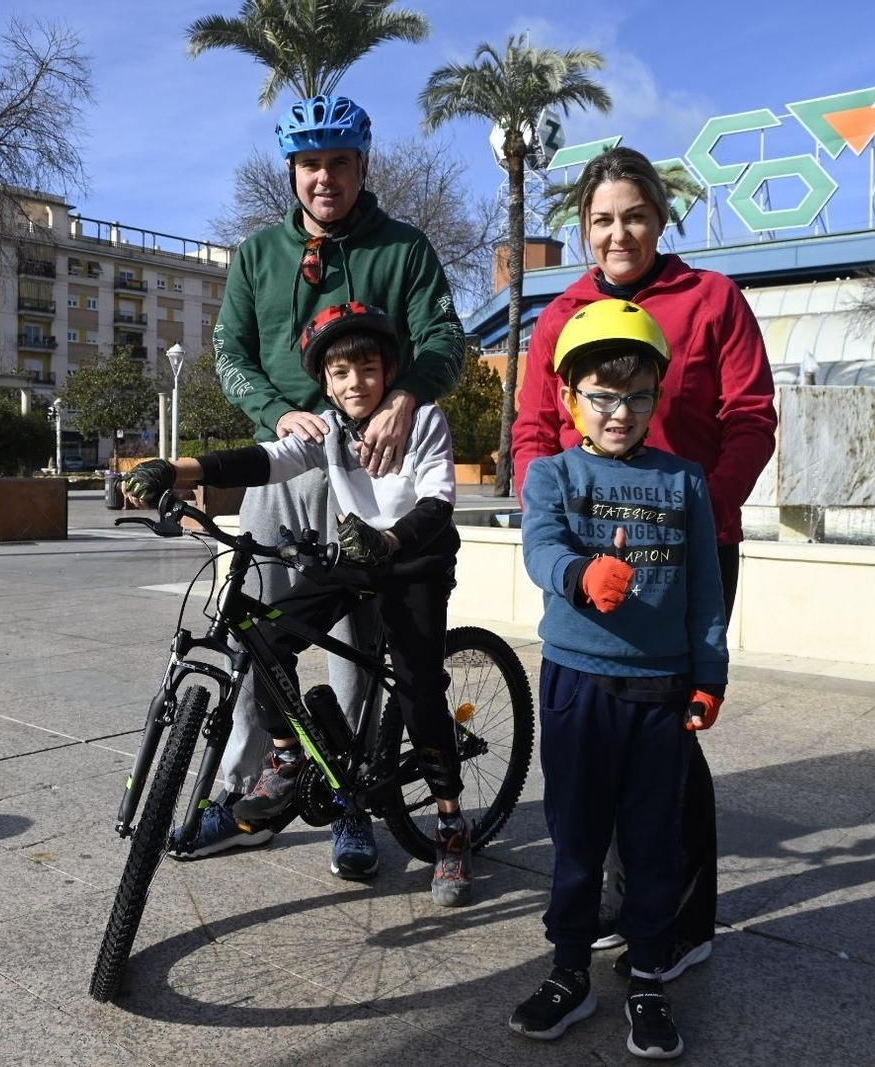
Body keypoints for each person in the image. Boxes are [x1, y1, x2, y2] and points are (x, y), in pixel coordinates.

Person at [182, 93, 466, 877]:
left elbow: (446, 336)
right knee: (257, 632)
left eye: (339, 162)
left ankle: (351, 805)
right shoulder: (256, 254)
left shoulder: (404, 249)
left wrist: (406, 395)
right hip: (288, 459)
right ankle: (251, 790)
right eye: (310, 164)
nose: (324, 178)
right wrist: (277, 413)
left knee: (361, 646)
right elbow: (231, 351)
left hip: (375, 461)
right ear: (292, 171)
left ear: (361, 165)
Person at [512, 146, 776, 982]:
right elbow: (530, 433)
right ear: (583, 231)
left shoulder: (712, 299)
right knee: (596, 743)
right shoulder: (562, 315)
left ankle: (681, 916)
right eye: (600, 219)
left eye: (633, 214)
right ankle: (615, 903)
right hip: (591, 560)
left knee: (670, 743)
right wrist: (552, 519)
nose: (617, 231)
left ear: (659, 219)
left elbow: (752, 419)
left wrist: (706, 513)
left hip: (687, 553)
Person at [123, 302, 472, 905]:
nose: (354, 382)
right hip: (357, 554)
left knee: (417, 690)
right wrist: (175, 468)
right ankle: (286, 757)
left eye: (367, 368)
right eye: (340, 374)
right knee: (265, 633)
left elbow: (438, 503)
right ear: (326, 383)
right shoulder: (331, 430)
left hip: (415, 560)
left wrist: (389, 540)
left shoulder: (424, 421)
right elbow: (263, 460)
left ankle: (449, 825)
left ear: (388, 372)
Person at [510, 298, 728, 1058]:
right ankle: (569, 969)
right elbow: (538, 545)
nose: (620, 410)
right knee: (575, 837)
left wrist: (710, 670)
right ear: (571, 398)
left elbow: (705, 587)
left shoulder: (685, 481)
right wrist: (578, 573)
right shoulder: (553, 475)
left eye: (637, 396)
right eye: (603, 395)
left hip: (661, 692)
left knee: (652, 840)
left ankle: (646, 977)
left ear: (656, 398)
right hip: (579, 684)